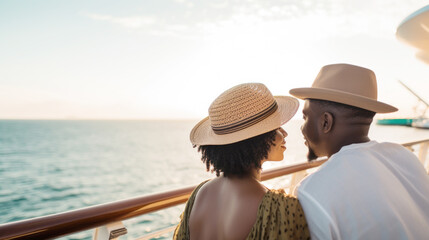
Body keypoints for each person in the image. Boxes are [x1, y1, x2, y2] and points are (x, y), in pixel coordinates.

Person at [289, 63, 429, 239]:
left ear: (326, 122)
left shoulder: (312, 192)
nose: (302, 128)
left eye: (305, 117)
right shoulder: (404, 156)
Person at [173, 83, 310, 240]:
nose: (284, 133)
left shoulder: (200, 193)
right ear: (258, 139)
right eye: (277, 127)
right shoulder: (276, 209)